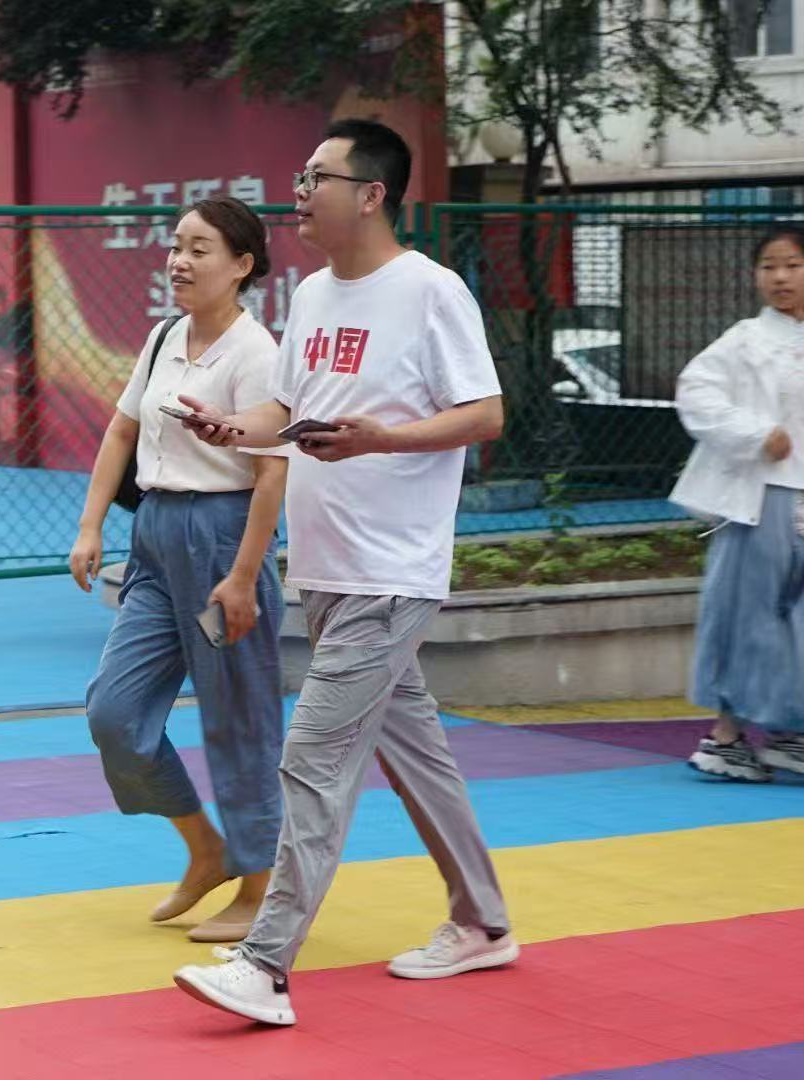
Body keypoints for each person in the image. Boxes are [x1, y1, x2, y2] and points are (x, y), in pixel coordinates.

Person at [168, 120, 514, 1026]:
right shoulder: (316, 294)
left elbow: (485, 414)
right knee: (418, 757)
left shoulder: (430, 291)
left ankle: (266, 965)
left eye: (317, 176)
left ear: (371, 194)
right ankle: (483, 921)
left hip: (391, 571)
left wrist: (384, 439)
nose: (300, 190)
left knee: (314, 757)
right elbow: (287, 409)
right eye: (301, 174)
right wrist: (232, 427)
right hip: (327, 567)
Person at [70, 195, 289, 943]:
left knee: (238, 717)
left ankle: (259, 890)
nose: (179, 261)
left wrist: (243, 575)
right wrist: (91, 524)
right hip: (157, 541)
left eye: (199, 249)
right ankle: (205, 848)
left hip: (222, 543)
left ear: (242, 265)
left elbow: (272, 472)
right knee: (115, 712)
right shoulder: (165, 335)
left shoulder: (258, 354)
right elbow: (122, 429)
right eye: (176, 246)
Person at [673, 224, 804, 782]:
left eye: (791, 265)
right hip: (758, 500)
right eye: (769, 266)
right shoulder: (744, 340)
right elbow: (694, 391)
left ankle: (792, 733)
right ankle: (725, 738)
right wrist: (755, 434)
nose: (780, 277)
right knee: (749, 617)